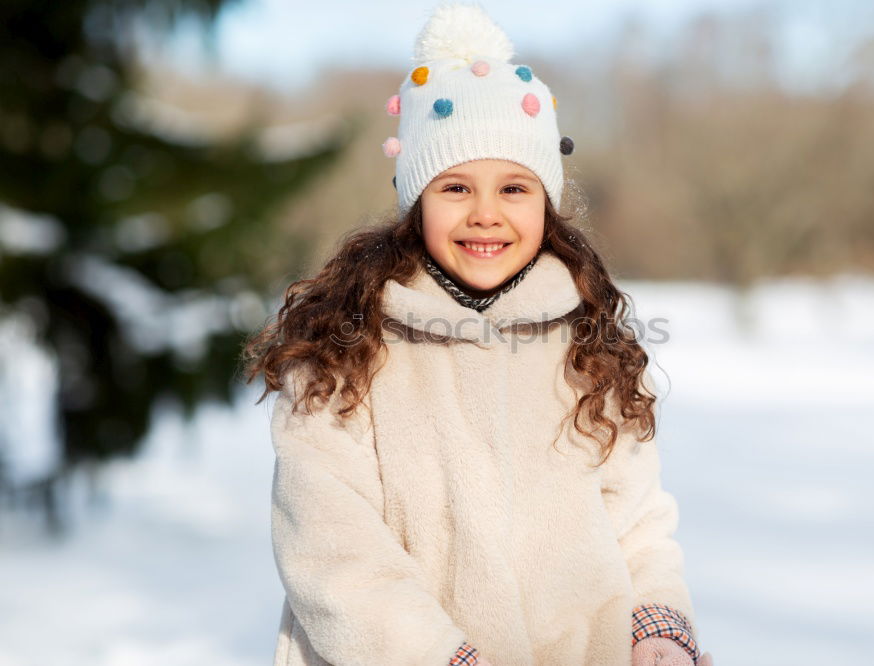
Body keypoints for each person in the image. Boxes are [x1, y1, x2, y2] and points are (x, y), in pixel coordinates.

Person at [241, 3, 713, 665]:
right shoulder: (345, 350)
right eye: (456, 187)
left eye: (515, 188)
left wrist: (659, 629)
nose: (486, 215)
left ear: (545, 203)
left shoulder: (588, 346)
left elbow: (637, 522)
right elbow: (331, 548)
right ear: (416, 201)